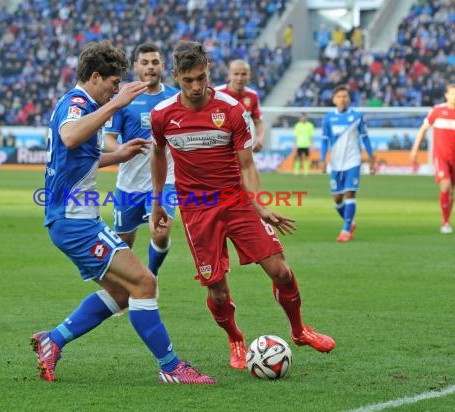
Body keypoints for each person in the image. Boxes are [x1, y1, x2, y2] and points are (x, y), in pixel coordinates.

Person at [31, 40, 215, 385]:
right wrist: (118, 102)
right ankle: (172, 367)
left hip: (76, 218)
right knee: (144, 282)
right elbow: (70, 137)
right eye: (114, 83)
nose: (116, 89)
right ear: (96, 76)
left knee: (122, 293)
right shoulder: (76, 103)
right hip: (74, 220)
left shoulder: (80, 104)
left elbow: (79, 157)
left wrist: (119, 155)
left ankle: (52, 340)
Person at [150, 41, 335, 371]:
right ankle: (235, 339)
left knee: (281, 270)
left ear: (209, 72)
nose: (196, 87)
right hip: (196, 208)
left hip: (236, 200)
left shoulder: (232, 110)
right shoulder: (163, 114)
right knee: (218, 291)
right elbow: (158, 155)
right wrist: (157, 201)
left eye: (202, 78)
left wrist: (259, 205)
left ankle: (299, 330)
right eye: (188, 80)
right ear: (176, 75)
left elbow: (247, 164)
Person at [103, 43, 178, 278]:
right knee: (124, 239)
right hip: (130, 182)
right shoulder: (124, 98)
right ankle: (124, 290)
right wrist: (121, 149)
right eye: (145, 63)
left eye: (155, 62)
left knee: (161, 232)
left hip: (165, 180)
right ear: (136, 67)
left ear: (163, 66)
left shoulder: (175, 98)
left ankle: (151, 275)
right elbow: (109, 139)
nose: (150, 67)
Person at [320, 85, 376, 243]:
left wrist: (371, 158)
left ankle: (345, 230)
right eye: (339, 96)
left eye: (345, 96)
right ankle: (350, 222)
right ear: (333, 99)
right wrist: (323, 159)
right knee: (337, 199)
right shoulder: (328, 118)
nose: (342, 99)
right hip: (336, 163)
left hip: (353, 160)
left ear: (349, 99)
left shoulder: (357, 116)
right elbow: (324, 140)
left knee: (350, 193)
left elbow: (365, 137)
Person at [410, 84, 455, 234]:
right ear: (446, 95)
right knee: (446, 185)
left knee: (450, 192)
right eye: (452, 93)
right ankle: (445, 222)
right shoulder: (437, 111)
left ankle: (447, 219)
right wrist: (415, 150)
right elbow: (423, 129)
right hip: (441, 157)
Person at [215, 59, 265, 152]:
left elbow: (258, 122)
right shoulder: (217, 93)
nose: (240, 78)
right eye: (236, 74)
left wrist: (260, 139)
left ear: (249, 76)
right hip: (220, 148)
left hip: (243, 148)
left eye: (243, 74)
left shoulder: (252, 95)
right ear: (229, 75)